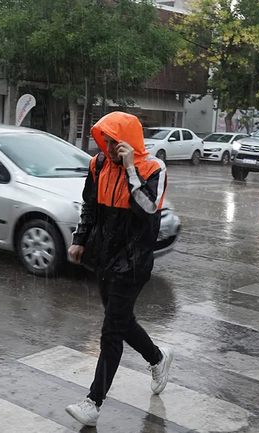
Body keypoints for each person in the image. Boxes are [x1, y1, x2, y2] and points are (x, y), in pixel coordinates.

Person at [65, 111, 173, 428]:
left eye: (115, 142)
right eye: (106, 141)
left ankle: (93, 402)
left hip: (134, 261)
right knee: (122, 323)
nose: (109, 148)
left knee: (111, 331)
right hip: (104, 257)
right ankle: (157, 357)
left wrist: (129, 170)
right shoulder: (97, 164)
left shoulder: (153, 168)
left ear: (128, 142)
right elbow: (89, 206)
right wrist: (80, 239)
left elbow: (148, 211)